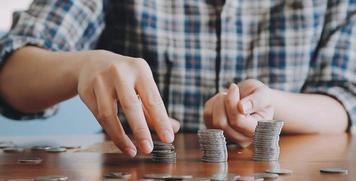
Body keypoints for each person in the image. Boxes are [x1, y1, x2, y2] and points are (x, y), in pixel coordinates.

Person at [0, 1, 354, 157]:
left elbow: (344, 99)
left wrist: (274, 104)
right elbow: (10, 73)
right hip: (139, 176)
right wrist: (80, 66)